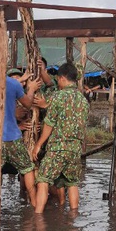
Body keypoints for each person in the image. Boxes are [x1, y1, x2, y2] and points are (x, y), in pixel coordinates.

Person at [0, 66, 42, 206]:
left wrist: (19, 80)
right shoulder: (12, 84)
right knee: (27, 168)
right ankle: (35, 203)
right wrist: (30, 89)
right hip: (12, 137)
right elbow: (28, 104)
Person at [31, 62, 89, 214]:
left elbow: (49, 124)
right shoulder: (83, 100)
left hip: (58, 147)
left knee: (43, 179)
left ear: (62, 78)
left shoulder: (57, 97)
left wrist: (38, 144)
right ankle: (73, 217)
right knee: (73, 183)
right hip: (75, 149)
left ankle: (38, 217)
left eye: (58, 80)